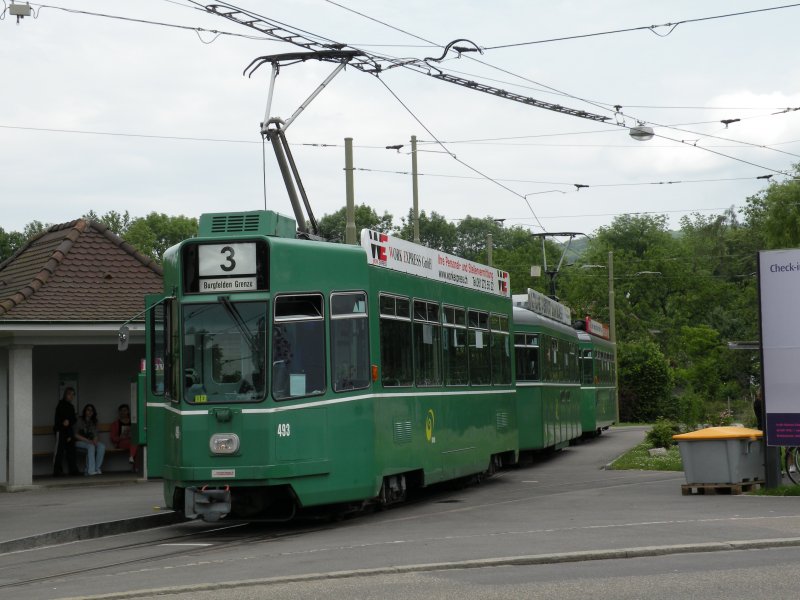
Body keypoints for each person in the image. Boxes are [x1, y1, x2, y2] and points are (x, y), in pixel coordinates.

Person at [53, 387, 80, 476]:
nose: (71, 396)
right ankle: (57, 471)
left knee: (71, 450)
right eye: (69, 394)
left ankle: (73, 470)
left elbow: (73, 419)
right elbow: (58, 420)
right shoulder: (60, 405)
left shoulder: (71, 407)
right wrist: (63, 422)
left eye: (73, 394)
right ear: (65, 394)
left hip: (69, 431)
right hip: (60, 431)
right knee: (59, 451)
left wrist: (69, 422)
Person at [75, 403, 106, 475]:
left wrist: (95, 441)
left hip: (89, 442)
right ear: (85, 411)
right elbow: (75, 435)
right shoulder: (79, 420)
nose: (90, 412)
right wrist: (88, 441)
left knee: (101, 446)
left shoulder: (94, 421)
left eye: (92, 411)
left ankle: (97, 468)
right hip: (79, 441)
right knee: (91, 446)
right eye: (88, 410)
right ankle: (90, 470)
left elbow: (95, 434)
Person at [111, 403, 138, 468]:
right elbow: (113, 438)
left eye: (125, 410)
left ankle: (132, 458)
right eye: (121, 411)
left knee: (137, 445)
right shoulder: (115, 424)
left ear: (128, 411)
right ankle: (133, 461)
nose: (123, 412)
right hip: (122, 442)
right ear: (119, 412)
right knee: (134, 443)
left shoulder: (133, 422)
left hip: (132, 441)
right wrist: (120, 437)